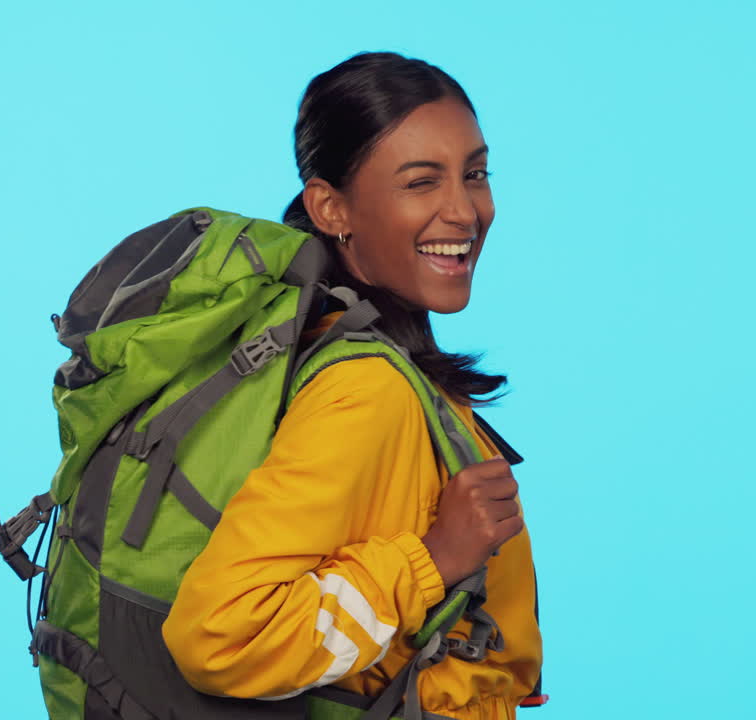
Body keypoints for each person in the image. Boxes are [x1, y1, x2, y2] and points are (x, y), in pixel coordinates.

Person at [160, 51, 544, 720]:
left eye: (474, 174)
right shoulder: (367, 388)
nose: (465, 211)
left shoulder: (346, 352)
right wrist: (433, 560)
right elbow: (217, 637)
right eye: (422, 182)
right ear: (331, 207)